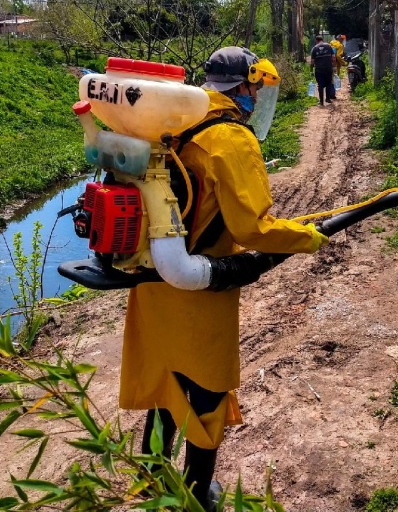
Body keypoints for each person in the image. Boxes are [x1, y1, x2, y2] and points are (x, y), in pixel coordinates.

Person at [119, 46, 330, 511]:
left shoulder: (172, 122)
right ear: (246, 87)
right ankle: (198, 491)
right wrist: (308, 237)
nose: (257, 98)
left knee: (166, 377)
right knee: (207, 386)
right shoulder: (232, 138)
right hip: (200, 287)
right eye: (256, 89)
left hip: (153, 277)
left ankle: (155, 474)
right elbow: (252, 229)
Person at [310, 34, 337, 105]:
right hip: (328, 69)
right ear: (322, 40)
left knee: (320, 85)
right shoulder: (329, 46)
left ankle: (321, 101)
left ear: (316, 41)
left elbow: (312, 61)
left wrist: (311, 70)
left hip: (319, 70)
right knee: (328, 83)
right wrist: (334, 66)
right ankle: (328, 99)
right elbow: (333, 57)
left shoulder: (314, 48)